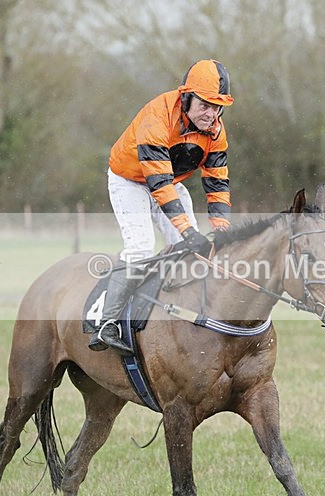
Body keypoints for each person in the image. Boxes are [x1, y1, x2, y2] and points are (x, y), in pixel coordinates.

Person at [89, 59, 235, 352]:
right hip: (131, 180)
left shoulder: (216, 131)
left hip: (169, 181)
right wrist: (187, 230)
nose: (211, 114)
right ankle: (105, 321)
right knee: (142, 248)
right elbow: (158, 183)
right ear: (186, 98)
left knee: (190, 251)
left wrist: (223, 230)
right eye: (205, 105)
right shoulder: (158, 115)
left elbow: (217, 183)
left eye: (217, 107)